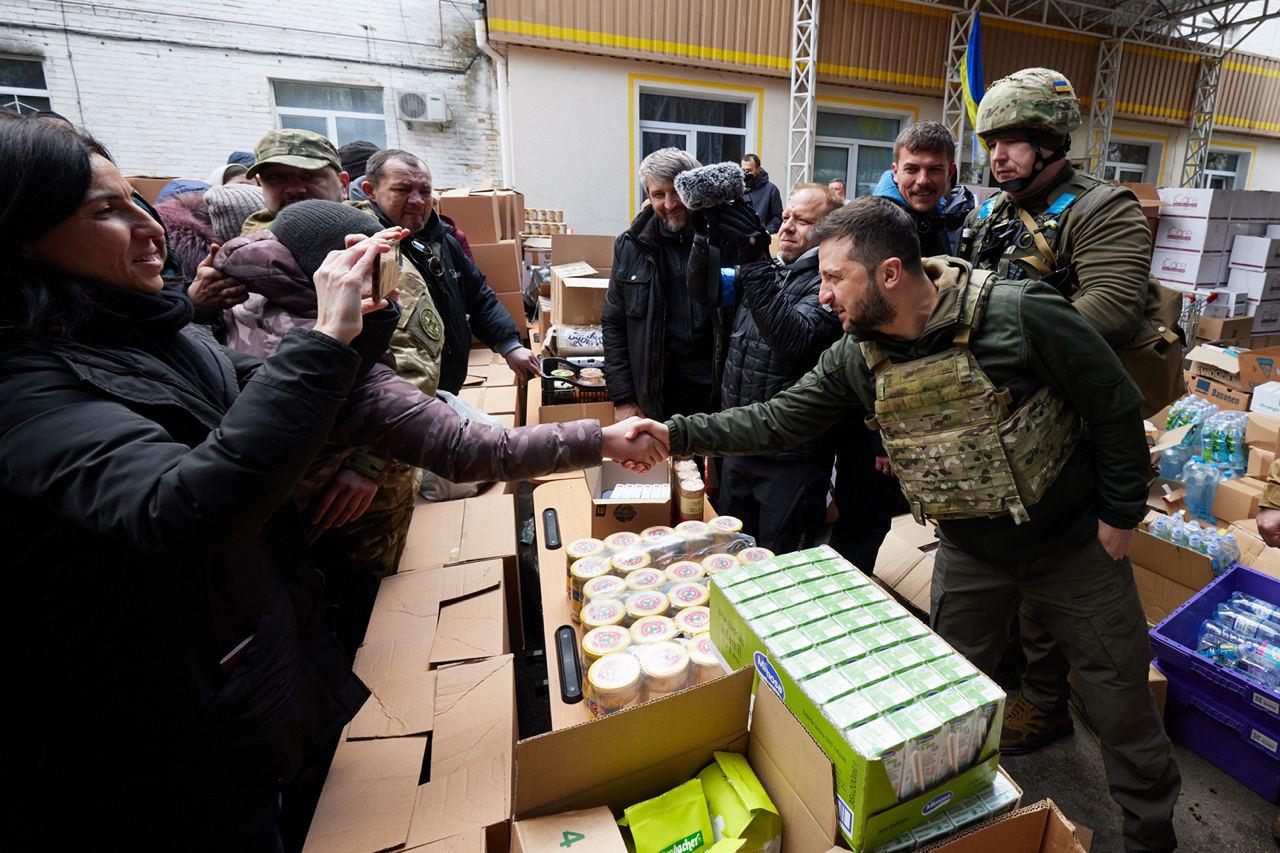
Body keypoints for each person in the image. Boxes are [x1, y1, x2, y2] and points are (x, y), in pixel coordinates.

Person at [632, 197, 1181, 853]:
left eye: (834, 277)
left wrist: (1121, 512)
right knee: (940, 703)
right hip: (971, 551)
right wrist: (673, 433)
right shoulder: (859, 355)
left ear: (889, 273)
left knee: (1120, 701)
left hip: (1071, 547)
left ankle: (1152, 836)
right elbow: (778, 419)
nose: (823, 292)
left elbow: (1113, 401)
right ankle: (945, 825)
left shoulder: (1020, 314)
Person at [0, 118, 390, 848]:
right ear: (22, 236)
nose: (148, 228)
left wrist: (357, 332)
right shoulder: (24, 384)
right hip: (150, 747)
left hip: (234, 685)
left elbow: (271, 401)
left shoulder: (155, 330)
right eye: (103, 211)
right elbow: (186, 506)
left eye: (135, 200)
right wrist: (326, 341)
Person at [216, 198, 666, 650]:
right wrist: (603, 439)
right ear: (341, 272)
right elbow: (469, 448)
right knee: (343, 623)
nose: (396, 289)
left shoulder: (236, 300)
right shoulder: (324, 355)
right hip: (287, 546)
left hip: (256, 551)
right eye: (385, 270)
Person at [961, 67, 1185, 758]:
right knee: (1013, 570)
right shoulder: (993, 213)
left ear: (1052, 139)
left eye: (1013, 140)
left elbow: (1112, 307)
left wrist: (1008, 358)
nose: (997, 155)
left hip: (1077, 425)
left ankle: (1056, 698)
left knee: (1065, 578)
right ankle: (1035, 690)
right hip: (1006, 426)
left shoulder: (1102, 207)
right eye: (991, 141)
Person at [693, 182, 843, 551]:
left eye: (803, 220)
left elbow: (794, 340)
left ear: (830, 231)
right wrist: (703, 238)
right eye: (786, 216)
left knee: (777, 562)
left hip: (790, 459)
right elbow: (706, 291)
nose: (787, 226)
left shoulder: (829, 285)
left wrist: (755, 260)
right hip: (741, 444)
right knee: (731, 552)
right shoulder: (769, 270)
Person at [358, 148, 539, 394]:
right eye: (402, 190)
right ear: (371, 191)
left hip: (446, 386)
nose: (417, 201)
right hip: (399, 398)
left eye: (424, 191)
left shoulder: (443, 239)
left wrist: (510, 345)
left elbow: (477, 294)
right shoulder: (365, 248)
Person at [604, 147, 726, 423]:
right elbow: (614, 323)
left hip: (717, 392)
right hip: (658, 393)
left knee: (709, 467)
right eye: (659, 195)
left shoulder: (723, 239)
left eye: (677, 192)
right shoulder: (631, 245)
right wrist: (623, 398)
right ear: (648, 196)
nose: (670, 204)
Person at [874, 121, 974, 257]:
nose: (922, 181)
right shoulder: (870, 225)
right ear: (895, 172)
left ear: (950, 173)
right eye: (911, 169)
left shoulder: (939, 217)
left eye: (934, 170)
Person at [741, 153, 783, 233]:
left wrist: (765, 232)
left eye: (749, 170)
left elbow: (777, 217)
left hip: (761, 240)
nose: (745, 173)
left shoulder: (771, 190)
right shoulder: (738, 189)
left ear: (758, 169)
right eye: (743, 170)